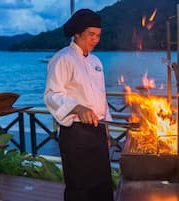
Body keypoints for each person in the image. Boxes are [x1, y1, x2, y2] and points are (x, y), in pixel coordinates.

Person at [44, 9, 114, 201]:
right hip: (75, 133)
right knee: (80, 188)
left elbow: (101, 97)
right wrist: (78, 107)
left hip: (97, 130)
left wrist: (106, 128)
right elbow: (52, 95)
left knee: (102, 185)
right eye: (91, 34)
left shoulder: (96, 61)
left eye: (98, 35)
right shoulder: (63, 58)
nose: (95, 40)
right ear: (77, 33)